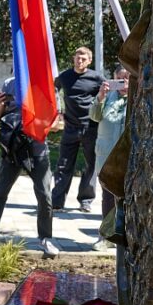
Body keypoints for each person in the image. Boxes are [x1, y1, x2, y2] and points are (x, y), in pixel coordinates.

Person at [0, 78, 58, 256]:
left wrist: (36, 120)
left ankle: (46, 238)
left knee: (44, 195)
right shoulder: (9, 83)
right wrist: (1, 103)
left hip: (37, 150)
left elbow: (55, 124)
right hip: (13, 151)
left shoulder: (45, 82)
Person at [50, 46, 105, 212]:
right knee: (63, 164)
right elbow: (52, 90)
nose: (79, 61)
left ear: (89, 61)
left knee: (91, 165)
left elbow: (105, 95)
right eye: (77, 58)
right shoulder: (65, 77)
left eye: (83, 59)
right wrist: (56, 113)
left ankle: (85, 200)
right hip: (70, 128)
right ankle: (57, 201)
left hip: (91, 128)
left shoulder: (96, 78)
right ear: (74, 59)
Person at [89, 66, 129, 251]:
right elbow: (94, 117)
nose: (123, 82)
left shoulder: (138, 98)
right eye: (119, 79)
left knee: (127, 198)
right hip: (106, 156)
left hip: (128, 158)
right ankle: (104, 237)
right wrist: (100, 97)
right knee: (107, 197)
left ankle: (126, 236)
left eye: (127, 78)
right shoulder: (107, 98)